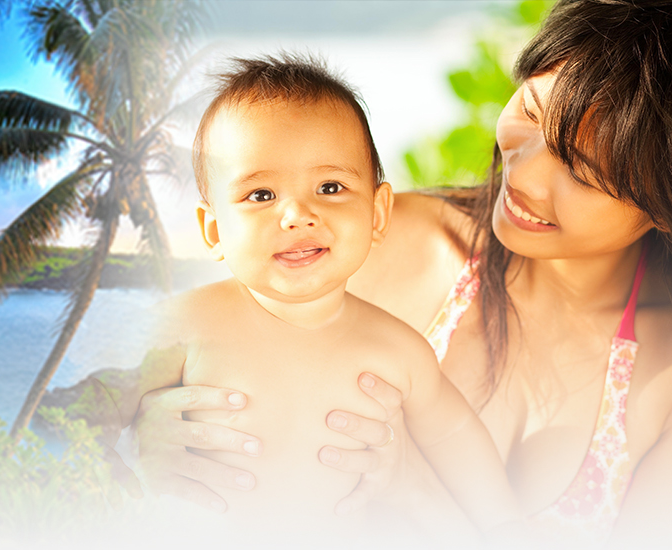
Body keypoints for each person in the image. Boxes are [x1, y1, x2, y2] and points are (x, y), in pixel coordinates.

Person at [125, 0, 672, 547]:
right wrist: (143, 435)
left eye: (582, 171)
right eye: (530, 111)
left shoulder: (662, 385)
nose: (523, 172)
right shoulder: (364, 244)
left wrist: (414, 489)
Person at [120, 54, 523, 543]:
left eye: (330, 187)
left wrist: (506, 527)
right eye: (261, 195)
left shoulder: (398, 350)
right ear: (213, 230)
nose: (297, 214)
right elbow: (92, 406)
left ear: (377, 213)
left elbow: (456, 439)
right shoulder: (185, 325)